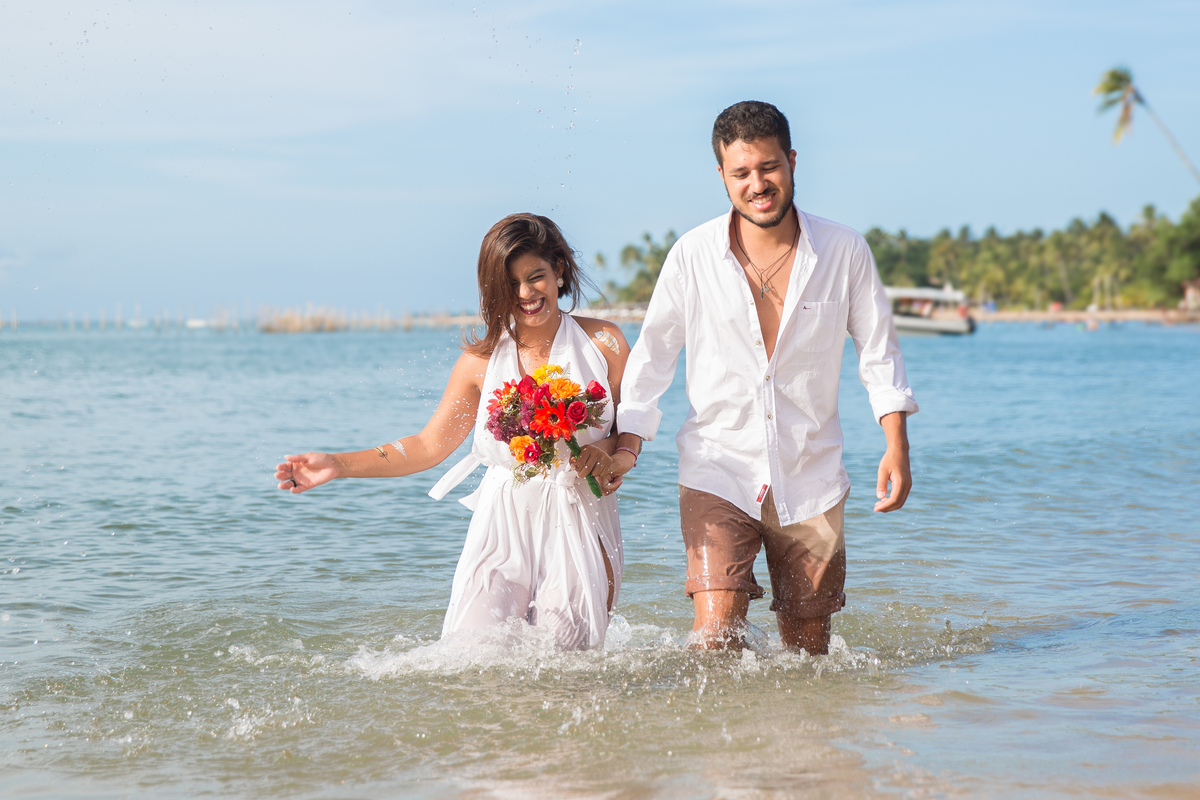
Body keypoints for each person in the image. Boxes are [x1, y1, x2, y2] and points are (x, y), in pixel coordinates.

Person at [609, 101, 918, 655]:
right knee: (713, 638)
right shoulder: (692, 255)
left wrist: (896, 443)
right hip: (716, 466)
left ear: (793, 160)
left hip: (812, 473)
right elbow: (654, 355)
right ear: (722, 176)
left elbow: (878, 351)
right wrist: (628, 443)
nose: (758, 184)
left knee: (809, 649)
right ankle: (719, 744)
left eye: (769, 167)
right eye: (742, 173)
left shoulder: (844, 250)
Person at [275, 213, 630, 651]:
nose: (525, 294)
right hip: (501, 522)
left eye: (535, 276)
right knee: (472, 656)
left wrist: (612, 457)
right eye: (510, 285)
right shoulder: (479, 363)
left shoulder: (605, 344)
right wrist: (338, 464)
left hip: (576, 513)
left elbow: (629, 430)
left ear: (559, 270)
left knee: (565, 665)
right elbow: (427, 446)